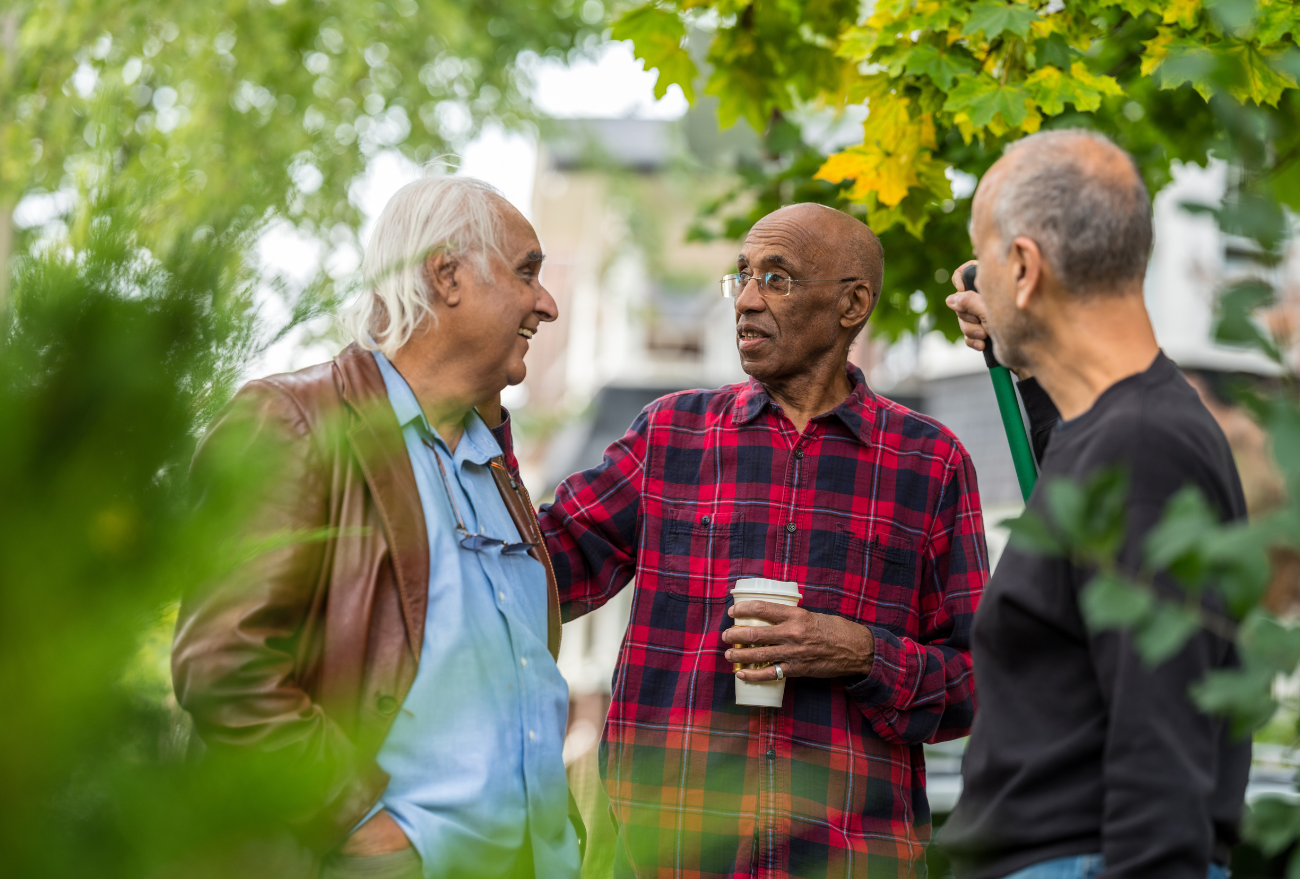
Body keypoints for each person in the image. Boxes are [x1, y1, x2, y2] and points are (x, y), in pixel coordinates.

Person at [523, 203, 989, 877]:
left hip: (849, 861)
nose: (745, 299)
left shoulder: (929, 462)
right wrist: (472, 421)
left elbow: (977, 683)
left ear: (851, 303)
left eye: (776, 278)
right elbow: (539, 568)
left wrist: (859, 652)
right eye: (741, 275)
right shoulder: (672, 434)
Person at [171, 176, 582, 879]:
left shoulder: (496, 465)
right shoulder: (299, 422)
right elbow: (225, 661)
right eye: (527, 271)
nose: (546, 302)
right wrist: (354, 820)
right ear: (445, 274)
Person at [937, 130, 1249, 879]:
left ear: (1024, 266)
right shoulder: (1122, 432)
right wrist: (1024, 351)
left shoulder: (1143, 450)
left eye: (984, 263)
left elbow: (1163, 749)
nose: (971, 286)